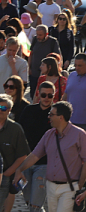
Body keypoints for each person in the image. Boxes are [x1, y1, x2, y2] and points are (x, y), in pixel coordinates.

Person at [14, 101, 86, 212]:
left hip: (69, 187)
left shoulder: (80, 135)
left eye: (51, 114)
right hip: (50, 186)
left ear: (61, 117)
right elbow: (34, 155)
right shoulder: (49, 134)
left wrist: (79, 185)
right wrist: (20, 169)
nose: (49, 117)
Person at [18, 81, 54, 212]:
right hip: (26, 161)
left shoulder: (56, 114)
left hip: (45, 163)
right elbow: (19, 134)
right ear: (38, 94)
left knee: (35, 204)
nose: (46, 98)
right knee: (28, 200)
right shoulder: (29, 110)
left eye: (50, 95)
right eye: (44, 95)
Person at [0, 93, 29, 211]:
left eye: (3, 108)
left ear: (9, 110)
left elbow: (23, 155)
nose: (0, 110)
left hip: (5, 176)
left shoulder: (15, 129)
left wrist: (8, 173)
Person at [29, 25, 61, 96]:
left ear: (46, 34)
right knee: (33, 93)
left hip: (47, 73)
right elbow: (31, 54)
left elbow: (58, 57)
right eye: (37, 34)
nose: (38, 37)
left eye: (40, 35)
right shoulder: (35, 39)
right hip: (34, 71)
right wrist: (29, 67)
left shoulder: (53, 41)